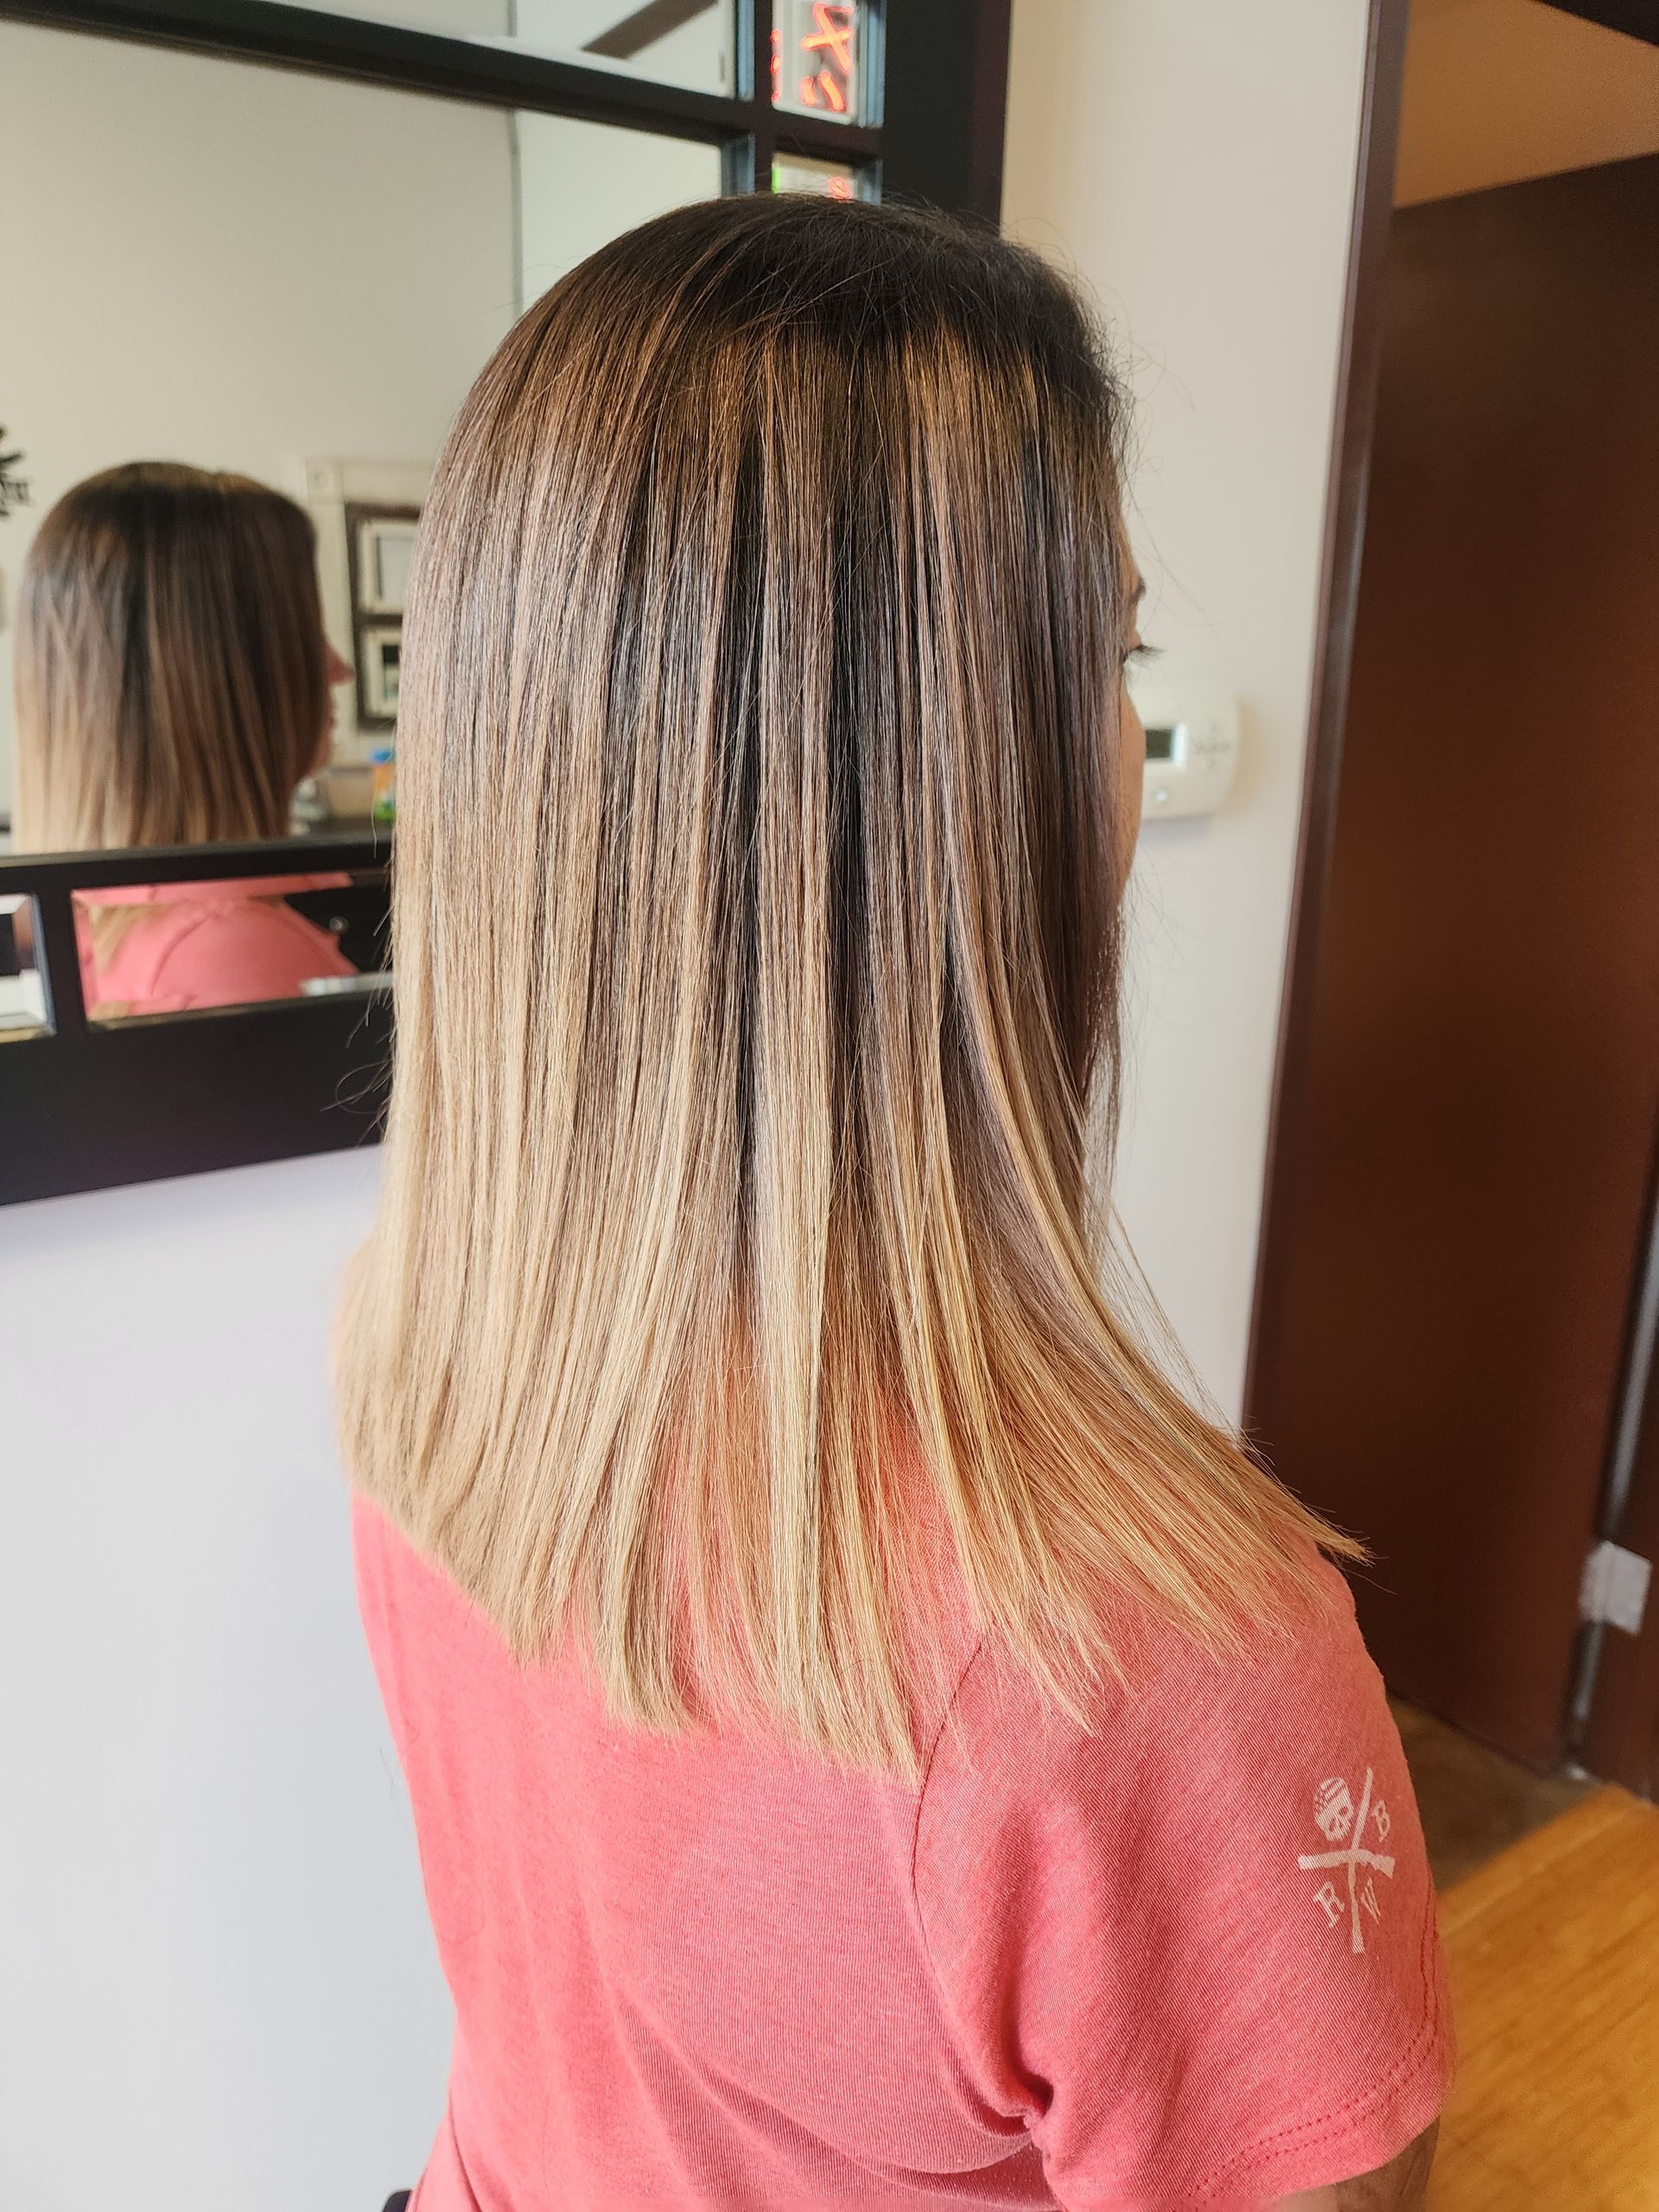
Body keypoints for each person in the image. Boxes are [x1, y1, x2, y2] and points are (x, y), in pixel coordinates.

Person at [335, 197, 1451, 2211]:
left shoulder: (420, 1341)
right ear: (978, 788)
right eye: (1111, 654)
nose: (1131, 734)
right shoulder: (1138, 1656)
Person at [13, 461, 358, 1014]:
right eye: (302, 631)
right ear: (221, 678)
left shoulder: (87, 920)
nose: (340, 669)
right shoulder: (231, 952)